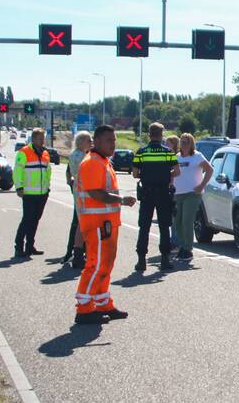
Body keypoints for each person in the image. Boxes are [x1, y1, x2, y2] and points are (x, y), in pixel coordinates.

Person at [74, 125, 136, 324]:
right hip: (97, 223)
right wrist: (121, 200)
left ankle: (102, 303)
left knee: (105, 265)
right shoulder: (92, 162)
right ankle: (84, 308)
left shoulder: (103, 161)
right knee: (96, 264)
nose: (113, 144)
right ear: (97, 141)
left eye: (114, 140)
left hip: (106, 223)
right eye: (109, 140)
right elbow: (96, 193)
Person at [132, 122, 179, 272]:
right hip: (164, 192)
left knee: (144, 226)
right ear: (161, 134)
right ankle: (165, 259)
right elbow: (177, 172)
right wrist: (165, 174)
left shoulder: (141, 152)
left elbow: (134, 174)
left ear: (149, 134)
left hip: (147, 193)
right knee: (164, 226)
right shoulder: (167, 152)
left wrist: (145, 175)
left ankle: (141, 261)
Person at [13, 127, 52, 259]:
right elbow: (17, 171)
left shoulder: (45, 153)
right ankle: (19, 247)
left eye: (43, 138)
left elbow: (48, 172)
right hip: (29, 193)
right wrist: (19, 187)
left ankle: (30, 246)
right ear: (34, 139)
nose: (43, 141)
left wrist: (47, 188)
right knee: (27, 220)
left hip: (42, 193)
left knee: (35, 220)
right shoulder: (24, 152)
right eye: (41, 139)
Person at [173, 133, 213, 260]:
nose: (184, 144)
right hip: (178, 193)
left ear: (191, 144)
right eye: (182, 142)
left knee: (187, 220)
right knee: (177, 222)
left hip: (192, 193)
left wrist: (202, 185)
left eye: (186, 142)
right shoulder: (177, 157)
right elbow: (173, 174)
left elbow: (210, 170)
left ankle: (188, 248)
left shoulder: (197, 156)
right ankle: (182, 245)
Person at [61, 131, 92, 268]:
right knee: (81, 223)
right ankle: (77, 252)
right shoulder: (81, 156)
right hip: (84, 192)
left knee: (78, 222)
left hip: (78, 190)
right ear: (81, 142)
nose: (91, 143)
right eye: (88, 141)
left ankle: (74, 251)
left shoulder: (77, 154)